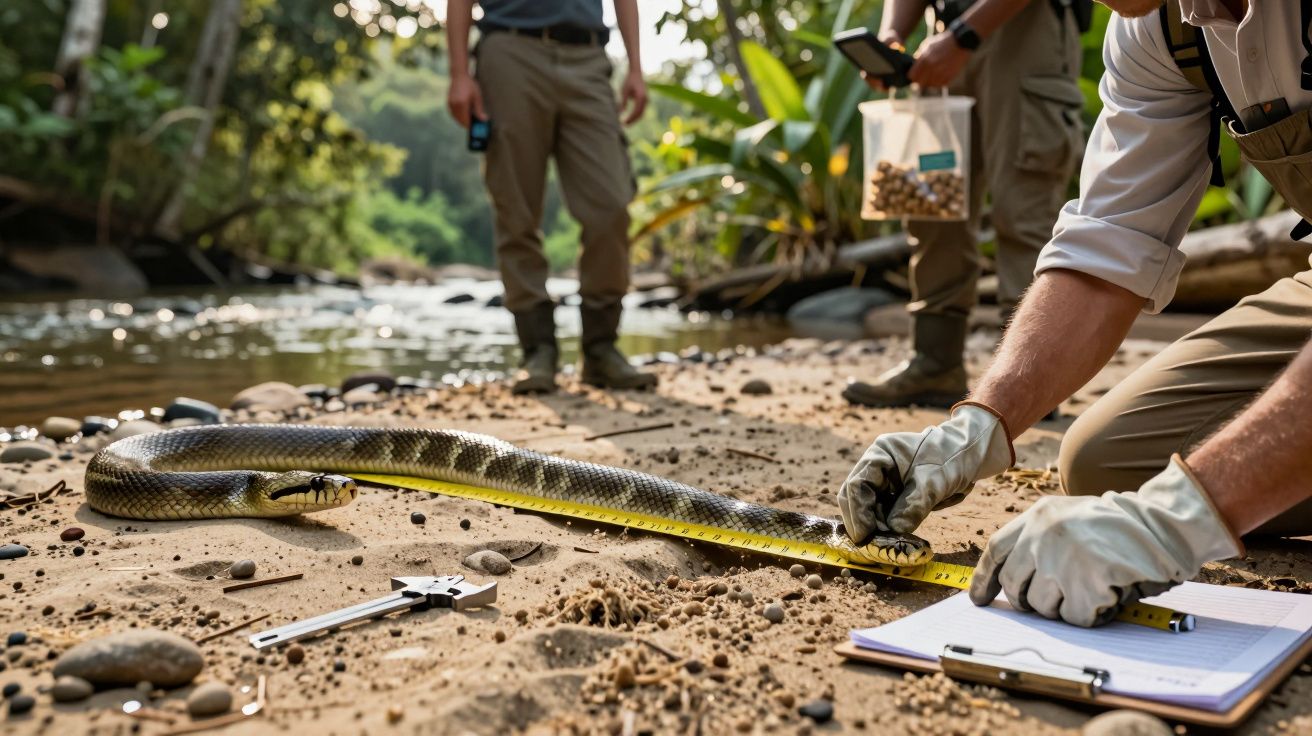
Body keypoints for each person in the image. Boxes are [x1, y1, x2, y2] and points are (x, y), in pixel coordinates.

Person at [838, 0, 1312, 627]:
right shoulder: (1158, 29)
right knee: (1106, 463)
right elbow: (1109, 242)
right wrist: (979, 426)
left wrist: (1177, 519)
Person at [843, 0, 1086, 409]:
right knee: (932, 206)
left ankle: (1027, 377)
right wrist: (892, 36)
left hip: (1024, 28)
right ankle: (935, 364)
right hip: (942, 36)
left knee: (1023, 206)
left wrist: (964, 36)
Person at [446, 0, 657, 394]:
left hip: (589, 57)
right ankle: (537, 350)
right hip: (509, 52)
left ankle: (600, 347)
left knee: (611, 206)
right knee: (516, 210)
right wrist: (459, 73)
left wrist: (637, 67)